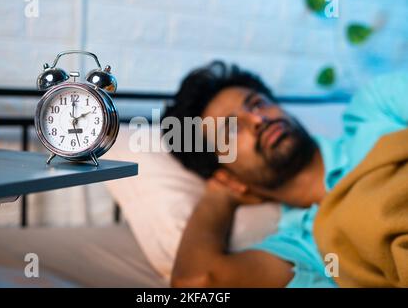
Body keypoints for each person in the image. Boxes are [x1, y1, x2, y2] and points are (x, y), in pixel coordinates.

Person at [162, 61, 408, 287]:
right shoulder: (304, 248)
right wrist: (217, 197)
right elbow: (197, 283)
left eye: (257, 104)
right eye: (232, 130)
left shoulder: (374, 111)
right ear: (229, 178)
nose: (257, 119)